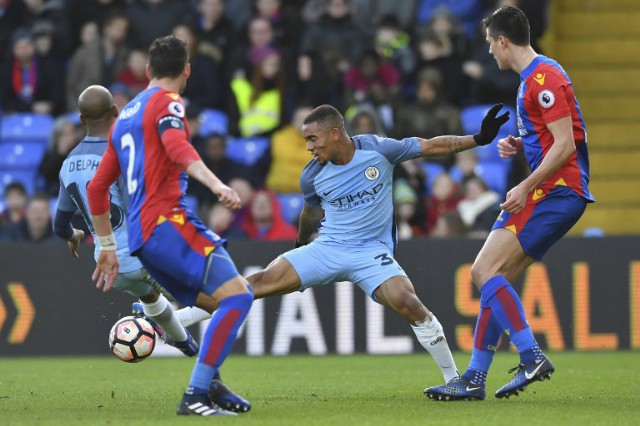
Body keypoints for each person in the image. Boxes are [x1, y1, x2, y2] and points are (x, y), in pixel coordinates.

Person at [245, 103, 510, 389]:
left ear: (334, 134)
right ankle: (187, 322)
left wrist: (478, 139)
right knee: (258, 282)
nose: (308, 147)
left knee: (409, 302)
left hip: (371, 251)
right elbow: (310, 213)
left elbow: (429, 146)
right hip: (329, 246)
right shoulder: (311, 175)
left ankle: (453, 380)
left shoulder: (378, 150)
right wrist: (299, 244)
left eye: (312, 139)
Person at [424, 5, 595, 402]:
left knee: (483, 269)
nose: (489, 53)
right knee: (493, 277)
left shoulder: (543, 77)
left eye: (489, 44)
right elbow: (558, 137)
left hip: (554, 191)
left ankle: (531, 355)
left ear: (503, 41)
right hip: (556, 189)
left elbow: (567, 144)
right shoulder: (532, 79)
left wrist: (524, 185)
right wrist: (522, 144)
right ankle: (474, 378)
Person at [86, 36, 253, 416]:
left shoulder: (124, 115)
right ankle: (195, 394)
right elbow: (177, 145)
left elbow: (98, 188)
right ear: (187, 71)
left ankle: (211, 385)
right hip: (168, 223)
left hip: (143, 240)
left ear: (147, 71)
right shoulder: (167, 102)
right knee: (240, 297)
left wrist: (108, 247)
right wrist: (216, 184)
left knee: (225, 300)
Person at [53, 85, 208, 360]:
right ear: (116, 111)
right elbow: (139, 207)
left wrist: (73, 235)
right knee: (225, 293)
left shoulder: (67, 165)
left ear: (80, 119)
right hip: (145, 252)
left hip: (110, 265)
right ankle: (180, 328)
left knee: (150, 298)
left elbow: (59, 226)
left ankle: (185, 344)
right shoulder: (123, 154)